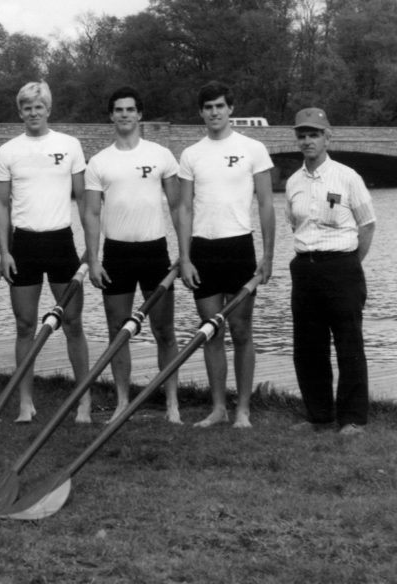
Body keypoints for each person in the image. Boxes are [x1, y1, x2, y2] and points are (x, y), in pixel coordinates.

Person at [82, 86, 183, 424]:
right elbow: (92, 214)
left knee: (164, 331)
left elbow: (179, 205)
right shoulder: (99, 162)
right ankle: (123, 401)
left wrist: (186, 252)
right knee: (118, 330)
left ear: (140, 115)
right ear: (111, 116)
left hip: (154, 251)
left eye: (130, 110)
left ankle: (171, 403)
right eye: (118, 110)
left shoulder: (161, 155)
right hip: (116, 253)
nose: (124, 115)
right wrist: (93, 259)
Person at [0, 81, 91, 424]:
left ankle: (83, 401)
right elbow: (0, 204)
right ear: (20, 112)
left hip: (61, 242)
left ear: (48, 109)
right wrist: (4, 251)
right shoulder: (7, 152)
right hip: (24, 246)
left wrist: (92, 249)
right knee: (24, 325)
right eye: (27, 107)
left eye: (39, 106)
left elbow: (85, 202)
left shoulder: (70, 145)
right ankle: (24, 402)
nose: (33, 113)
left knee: (73, 323)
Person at [178, 81, 275, 429]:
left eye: (220, 106)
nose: (214, 112)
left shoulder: (253, 149)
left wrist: (268, 256)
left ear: (230, 109)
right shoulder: (191, 154)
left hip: (239, 248)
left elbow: (265, 204)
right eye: (208, 107)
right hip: (203, 250)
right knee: (211, 331)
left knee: (241, 330)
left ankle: (243, 411)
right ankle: (218, 407)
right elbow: (185, 208)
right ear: (201, 112)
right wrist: (185, 257)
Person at [285, 108, 375, 435]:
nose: (307, 141)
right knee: (309, 346)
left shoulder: (347, 177)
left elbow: (367, 225)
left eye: (314, 134)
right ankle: (319, 415)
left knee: (349, 344)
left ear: (327, 137)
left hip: (342, 268)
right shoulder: (293, 181)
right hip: (305, 269)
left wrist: (350, 264)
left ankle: (352, 418)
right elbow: (295, 223)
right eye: (302, 135)